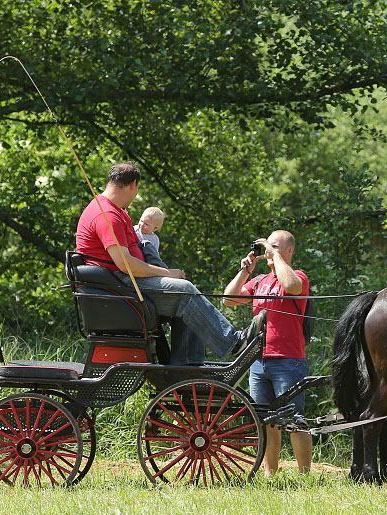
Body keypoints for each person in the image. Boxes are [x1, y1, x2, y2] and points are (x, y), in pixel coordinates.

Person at [75, 162, 263, 359]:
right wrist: (167, 273)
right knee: (185, 291)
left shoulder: (117, 211)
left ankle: (186, 367)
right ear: (133, 184)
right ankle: (233, 343)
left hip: (123, 280)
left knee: (185, 294)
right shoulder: (106, 214)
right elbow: (125, 265)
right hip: (121, 283)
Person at [224, 230, 311, 476]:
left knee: (295, 420)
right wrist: (245, 271)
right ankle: (270, 475)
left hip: (289, 361)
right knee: (266, 423)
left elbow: (291, 286)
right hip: (258, 362)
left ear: (289, 250)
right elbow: (228, 300)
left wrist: (275, 256)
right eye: (267, 247)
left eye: (275, 246)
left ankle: (304, 476)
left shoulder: (298, 277)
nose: (268, 252)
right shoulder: (259, 281)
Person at [132, 206, 204, 365]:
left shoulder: (154, 240)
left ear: (156, 228)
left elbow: (153, 259)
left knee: (189, 302)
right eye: (141, 221)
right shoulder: (134, 231)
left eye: (146, 224)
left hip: (149, 272)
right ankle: (184, 361)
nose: (141, 225)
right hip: (141, 278)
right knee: (185, 292)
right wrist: (166, 273)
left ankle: (188, 360)